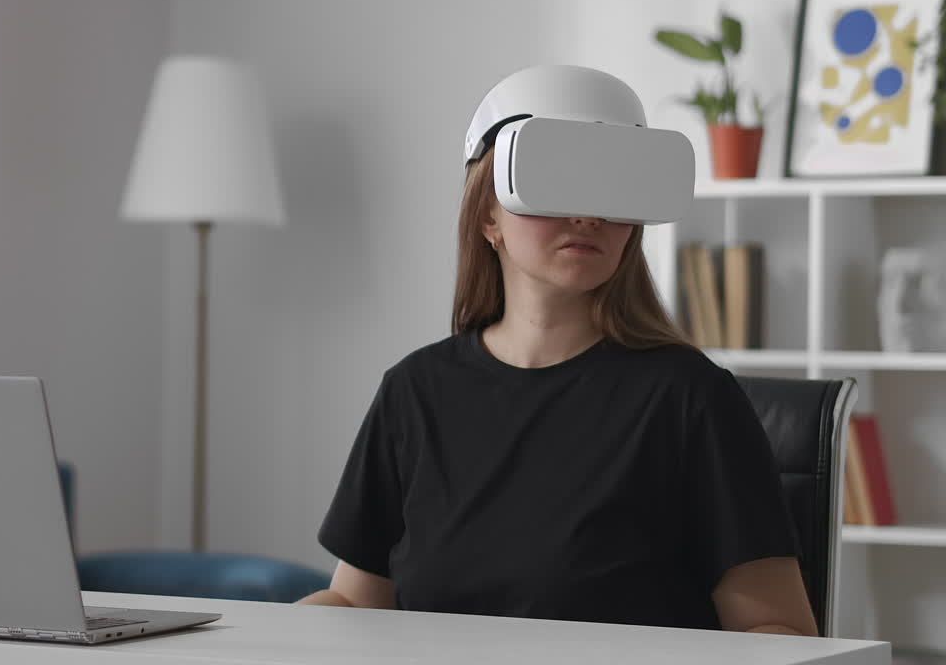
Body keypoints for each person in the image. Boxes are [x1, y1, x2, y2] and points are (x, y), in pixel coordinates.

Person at [297, 65, 819, 636]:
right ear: (488, 214)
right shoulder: (414, 392)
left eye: (612, 187)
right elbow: (354, 604)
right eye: (556, 179)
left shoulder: (692, 399)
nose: (588, 216)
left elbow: (778, 633)